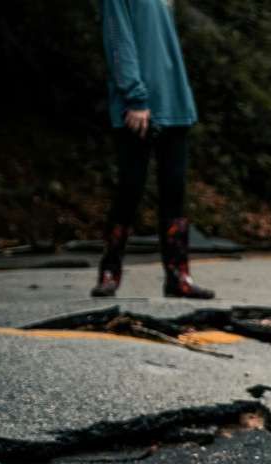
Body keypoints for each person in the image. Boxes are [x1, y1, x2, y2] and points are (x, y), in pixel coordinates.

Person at [92, 0, 214, 299]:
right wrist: (135, 97)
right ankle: (110, 271)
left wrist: (182, 98)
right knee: (130, 189)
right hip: (139, 107)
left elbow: (165, 47)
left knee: (175, 190)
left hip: (175, 103)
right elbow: (119, 42)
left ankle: (178, 276)